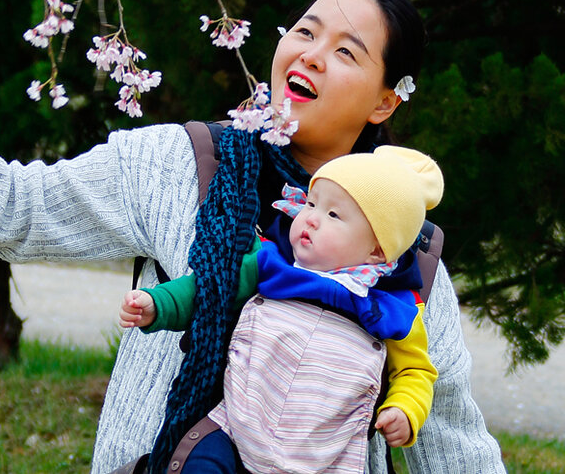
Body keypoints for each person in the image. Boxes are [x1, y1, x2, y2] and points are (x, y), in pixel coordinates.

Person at [0, 0, 504, 474]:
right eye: (304, 32)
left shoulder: (405, 249)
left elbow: (448, 435)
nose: (310, 55)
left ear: (386, 99)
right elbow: (12, 211)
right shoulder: (182, 165)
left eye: (347, 52)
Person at [119, 145, 443, 473]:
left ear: (376, 250)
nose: (312, 219)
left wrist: (405, 409)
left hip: (326, 456)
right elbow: (211, 287)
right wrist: (159, 304)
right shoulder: (271, 263)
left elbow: (415, 371)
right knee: (200, 464)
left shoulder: (394, 310)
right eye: (312, 203)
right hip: (235, 425)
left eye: (333, 215)